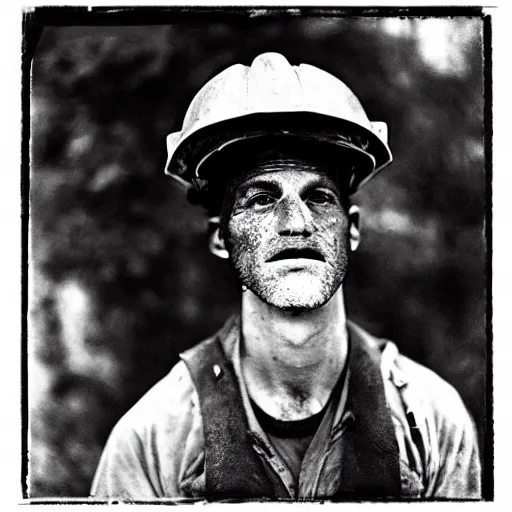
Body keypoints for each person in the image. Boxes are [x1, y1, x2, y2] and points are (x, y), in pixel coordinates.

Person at [90, 53, 481, 501]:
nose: (295, 223)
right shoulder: (153, 439)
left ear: (350, 229)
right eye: (260, 198)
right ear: (221, 238)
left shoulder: (431, 419)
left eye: (318, 196)